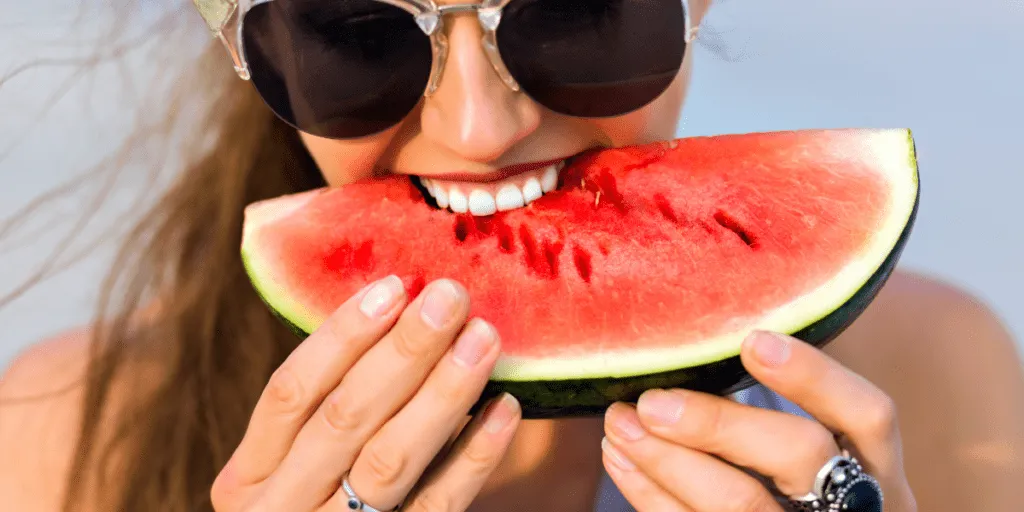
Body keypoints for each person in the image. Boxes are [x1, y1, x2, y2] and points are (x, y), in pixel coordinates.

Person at [1, 0, 1022, 511]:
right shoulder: (67, 435)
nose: (482, 131)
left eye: (570, 15)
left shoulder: (933, 373)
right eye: (358, 38)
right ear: (255, 60)